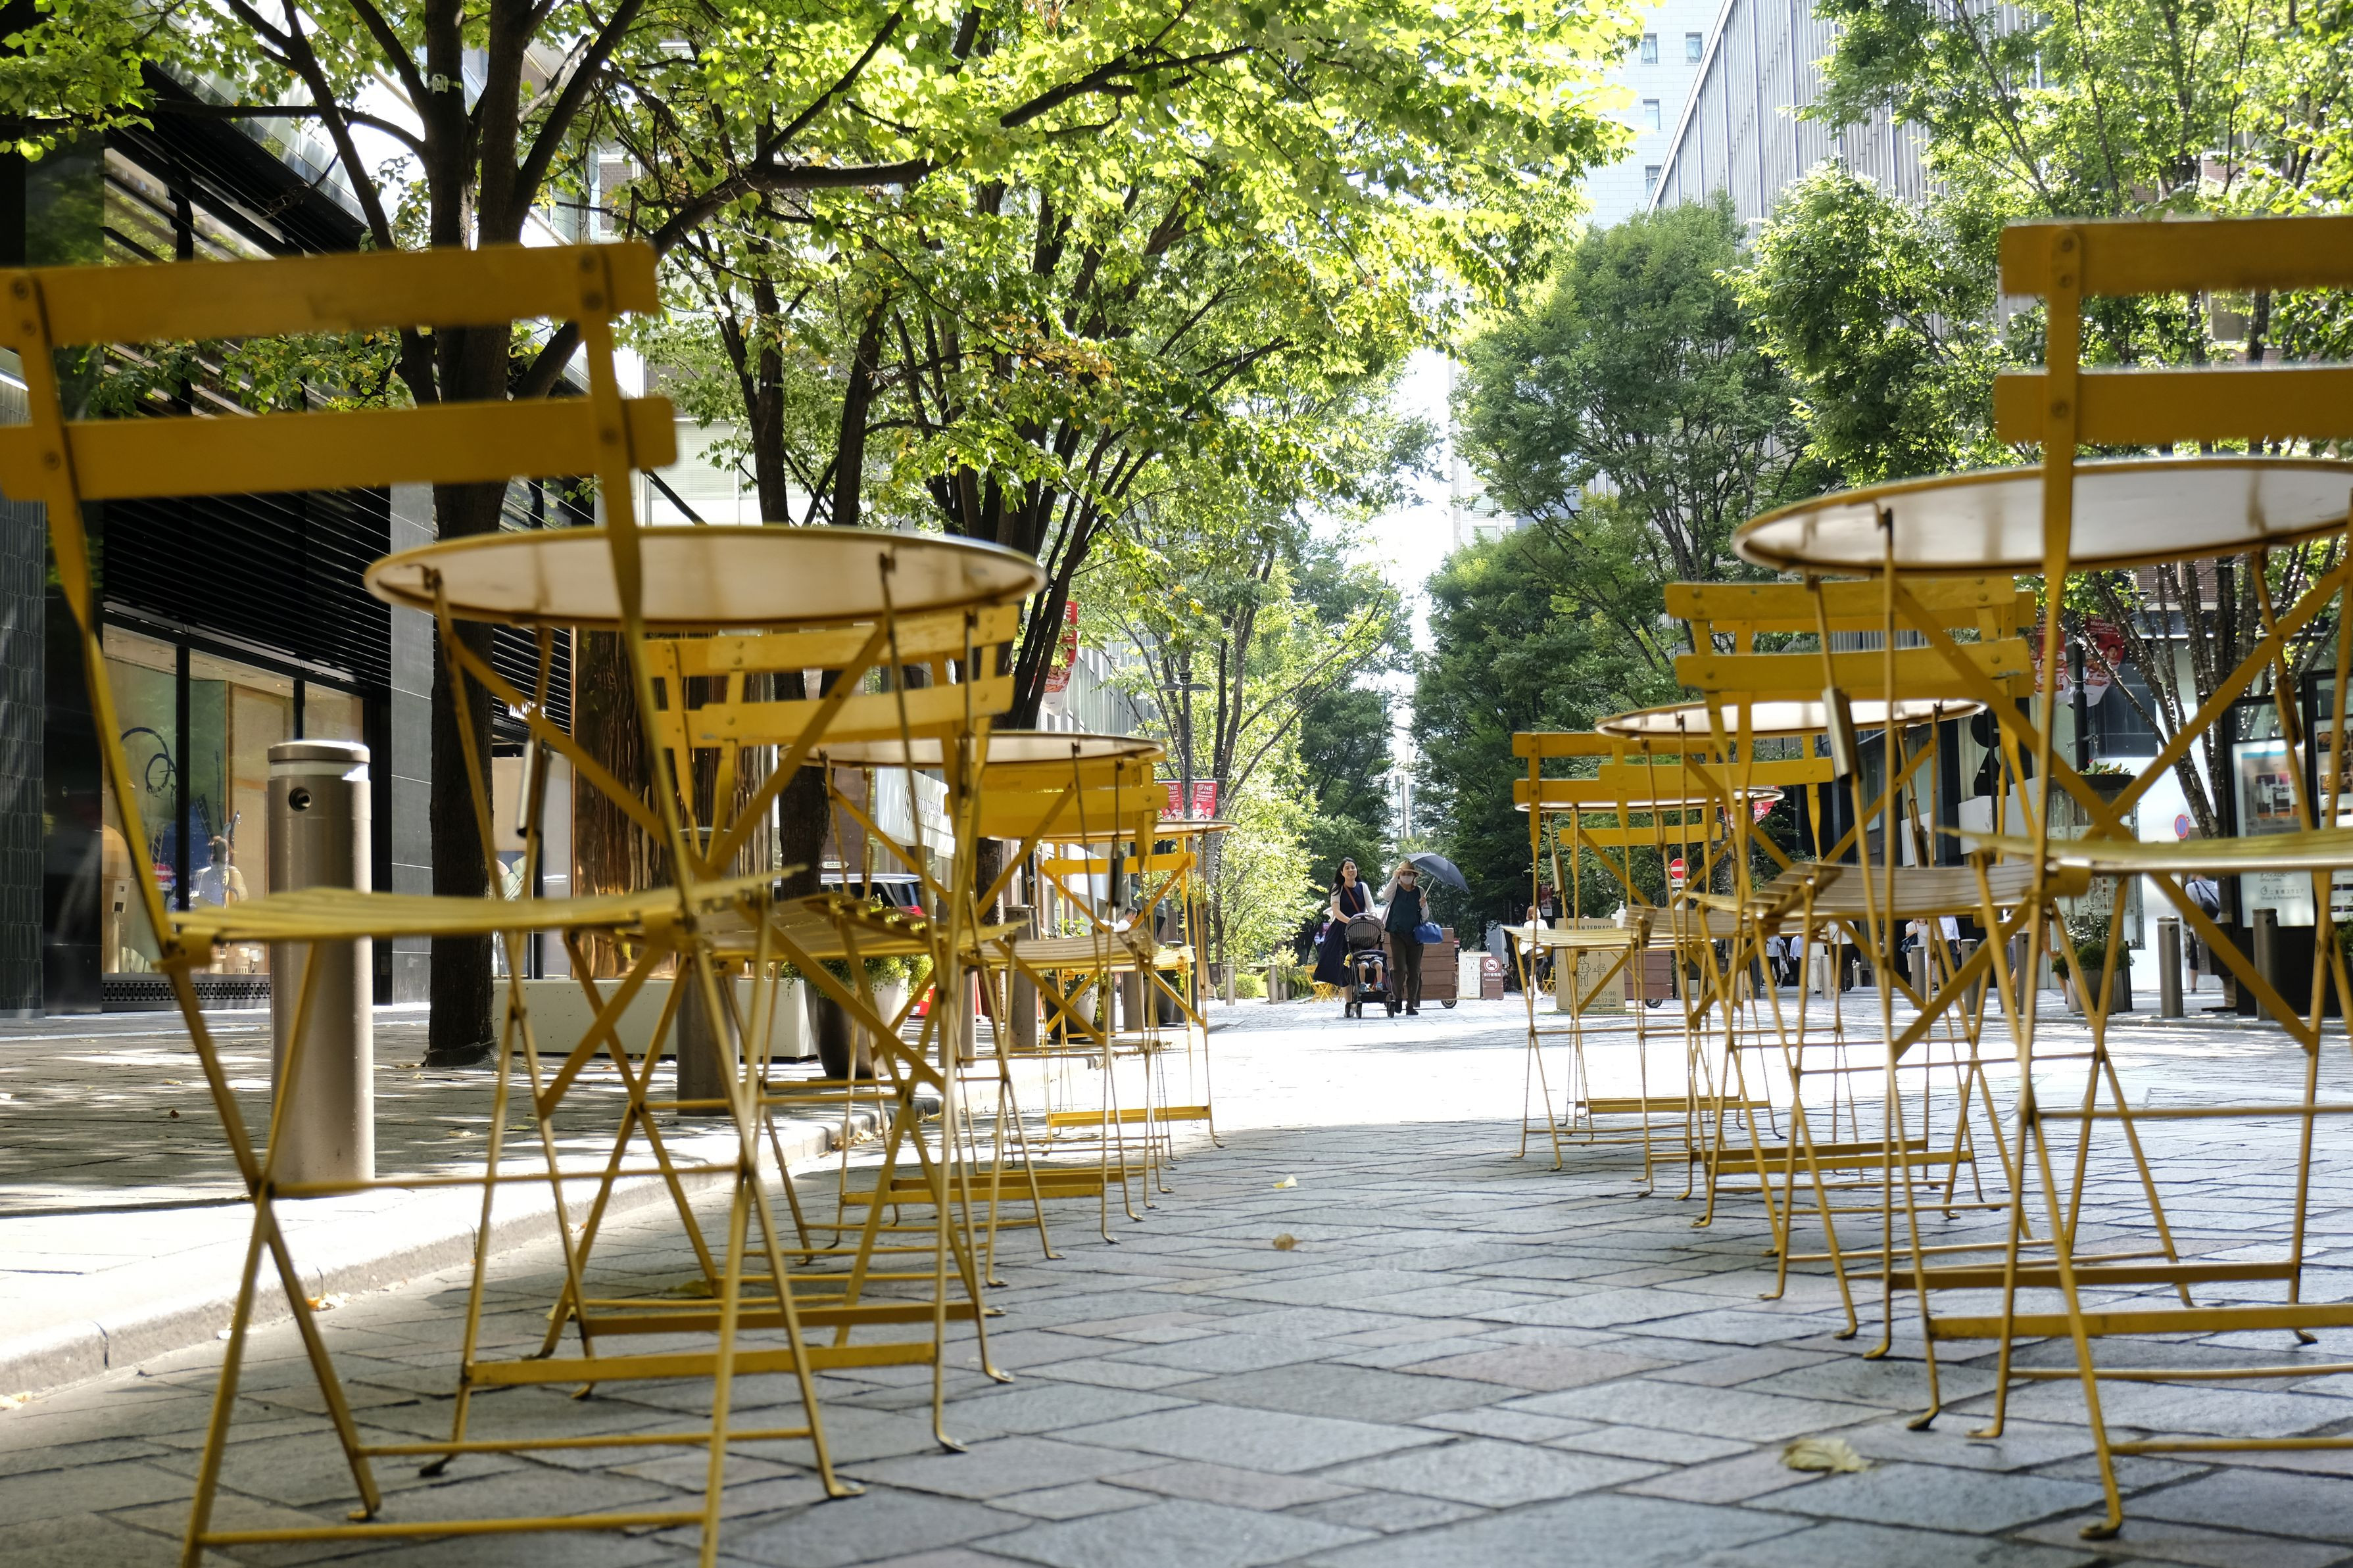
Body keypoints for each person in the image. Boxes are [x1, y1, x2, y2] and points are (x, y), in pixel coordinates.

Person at [1313, 859, 1370, 1004]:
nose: (1351, 870)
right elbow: (1337, 912)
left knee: (1362, 961)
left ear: (1357, 870)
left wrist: (1373, 919)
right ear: (1342, 872)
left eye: (1353, 867)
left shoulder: (1363, 887)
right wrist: (1351, 922)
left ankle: (1359, 993)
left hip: (1360, 931)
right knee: (1344, 965)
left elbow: (1371, 907)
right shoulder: (1337, 888)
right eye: (1347, 868)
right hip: (1341, 931)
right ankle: (1349, 1003)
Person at [1379, 859, 1429, 1014]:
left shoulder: (1420, 891)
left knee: (1415, 971)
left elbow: (1425, 916)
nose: (1406, 876)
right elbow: (1386, 897)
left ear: (1414, 876)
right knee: (1399, 968)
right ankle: (1398, 998)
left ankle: (1411, 1005)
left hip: (1416, 936)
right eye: (1404, 873)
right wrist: (1394, 877)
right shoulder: (1395, 889)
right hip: (1397, 934)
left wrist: (1423, 905)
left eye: (1409, 874)